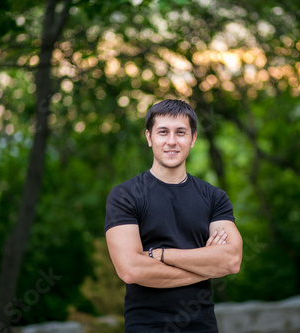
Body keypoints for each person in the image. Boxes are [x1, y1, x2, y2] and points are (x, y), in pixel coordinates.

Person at [104, 99, 243, 333]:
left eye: (180, 132)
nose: (171, 141)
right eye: (162, 132)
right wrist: (206, 265)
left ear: (193, 138)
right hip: (146, 327)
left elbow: (231, 260)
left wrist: (159, 254)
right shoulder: (125, 196)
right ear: (149, 138)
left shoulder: (214, 197)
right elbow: (131, 270)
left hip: (203, 326)